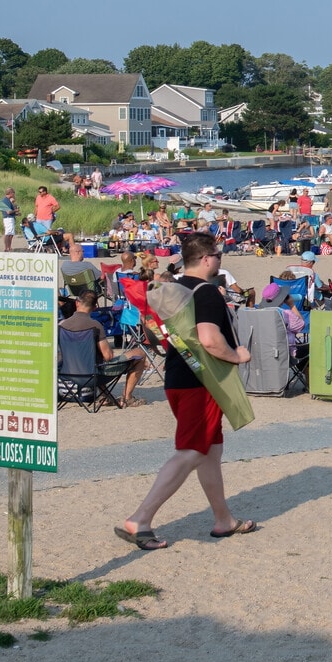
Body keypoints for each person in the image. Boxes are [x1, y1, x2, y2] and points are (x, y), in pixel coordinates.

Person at [115, 233, 257, 550]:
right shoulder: (206, 293)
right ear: (207, 259)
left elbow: (158, 334)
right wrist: (238, 356)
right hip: (201, 382)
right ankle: (141, 518)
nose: (220, 259)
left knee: (210, 450)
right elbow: (208, 338)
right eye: (218, 254)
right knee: (191, 450)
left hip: (178, 376)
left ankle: (224, 520)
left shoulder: (173, 288)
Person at [61, 287, 147, 404]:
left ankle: (105, 397)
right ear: (95, 307)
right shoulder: (95, 325)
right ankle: (127, 398)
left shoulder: (61, 325)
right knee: (139, 354)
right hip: (92, 376)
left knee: (93, 358)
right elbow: (108, 356)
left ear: (77, 303)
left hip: (67, 375)